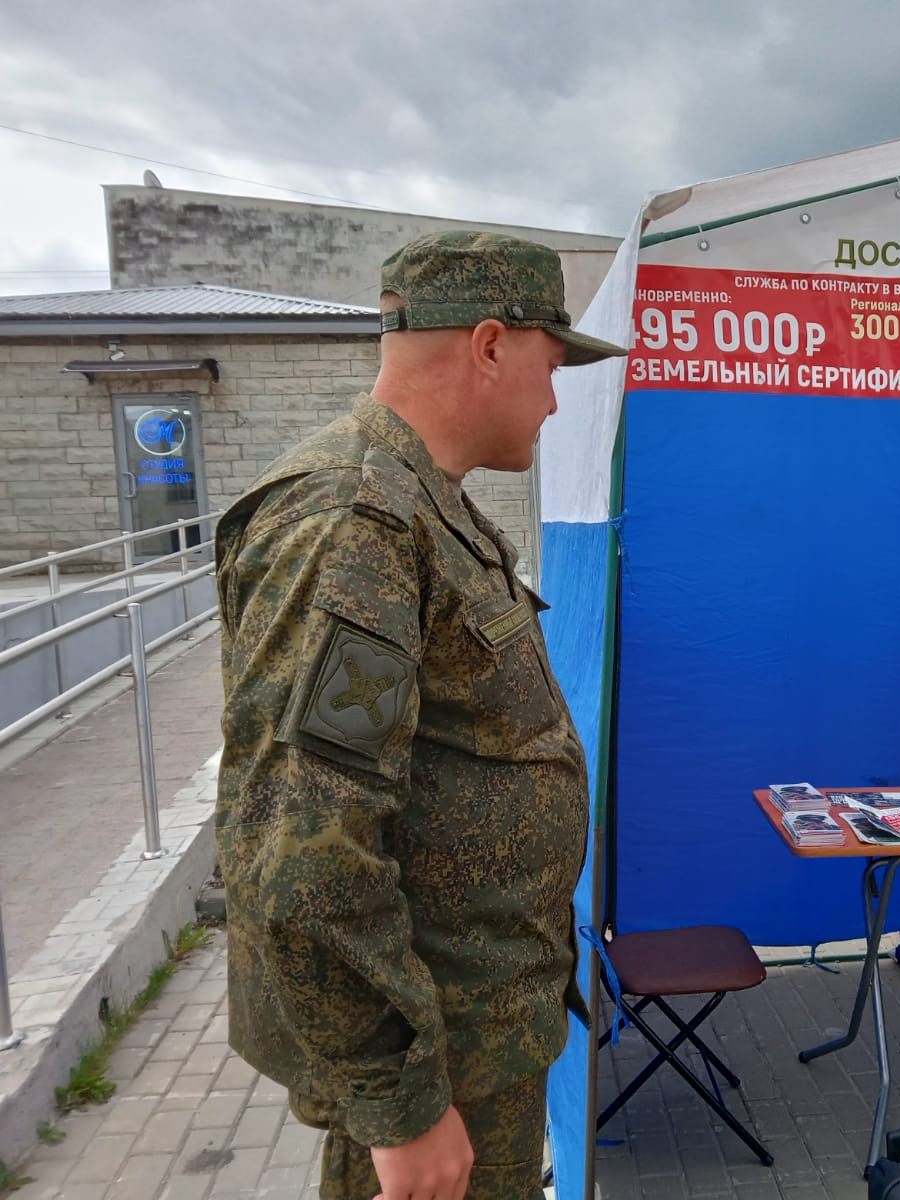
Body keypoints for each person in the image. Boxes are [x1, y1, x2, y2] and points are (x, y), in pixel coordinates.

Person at [214, 230, 627, 1200]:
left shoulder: (420, 502)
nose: (558, 394)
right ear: (489, 345)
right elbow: (300, 843)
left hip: (477, 1037)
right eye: (551, 361)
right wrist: (397, 1102)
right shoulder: (354, 521)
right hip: (434, 1068)